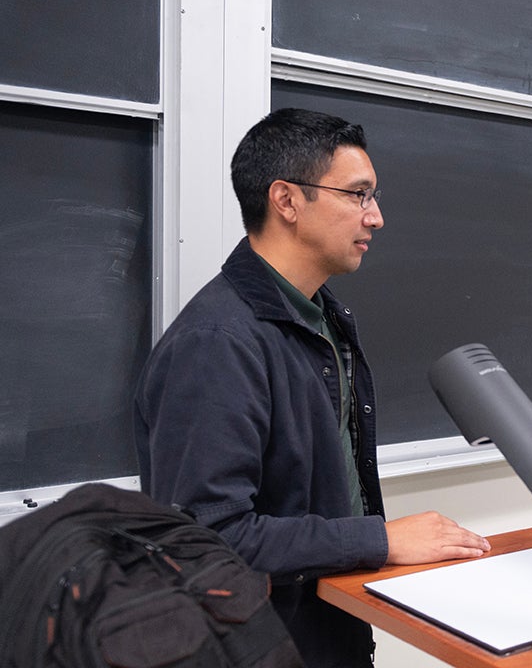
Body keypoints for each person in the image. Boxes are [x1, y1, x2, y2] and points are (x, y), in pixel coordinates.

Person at [135, 108, 491, 667]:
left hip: (331, 630)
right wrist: (380, 540)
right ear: (287, 200)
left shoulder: (323, 318)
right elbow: (207, 538)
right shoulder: (216, 344)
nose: (376, 217)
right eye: (357, 194)